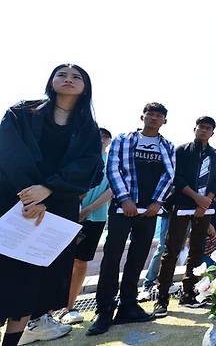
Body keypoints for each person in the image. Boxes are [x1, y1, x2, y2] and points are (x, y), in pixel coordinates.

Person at [0, 64, 103, 346]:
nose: (68, 79)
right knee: (4, 274)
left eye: (76, 77)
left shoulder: (88, 129)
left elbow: (88, 167)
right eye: (62, 74)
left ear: (86, 87)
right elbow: (8, 153)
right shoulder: (21, 113)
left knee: (33, 283)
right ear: (51, 80)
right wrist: (30, 194)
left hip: (56, 210)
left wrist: (48, 189)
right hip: (12, 202)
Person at [88, 102, 176, 336]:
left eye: (159, 116)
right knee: (111, 258)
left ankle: (128, 305)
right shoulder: (123, 140)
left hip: (149, 211)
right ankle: (104, 310)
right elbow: (113, 169)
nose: (154, 118)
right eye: (151, 114)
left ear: (164, 121)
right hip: (121, 209)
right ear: (142, 116)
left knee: (138, 258)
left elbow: (169, 175)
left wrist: (157, 202)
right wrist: (125, 199)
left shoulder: (167, 146)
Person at [152, 116, 216, 318]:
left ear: (212, 132)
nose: (203, 130)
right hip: (182, 203)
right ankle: (162, 297)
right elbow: (175, 176)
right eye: (201, 127)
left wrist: (206, 200)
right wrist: (196, 198)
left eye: (208, 128)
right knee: (171, 250)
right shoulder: (181, 150)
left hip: (205, 208)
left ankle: (189, 293)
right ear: (195, 128)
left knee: (197, 251)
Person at [60, 128, 113, 326]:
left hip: (96, 217)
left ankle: (69, 306)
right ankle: (46, 310)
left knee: (81, 261)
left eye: (105, 137)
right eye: (97, 136)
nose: (101, 140)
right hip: (68, 215)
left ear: (109, 141)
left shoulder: (111, 162)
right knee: (58, 263)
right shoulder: (76, 157)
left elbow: (111, 190)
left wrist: (88, 209)